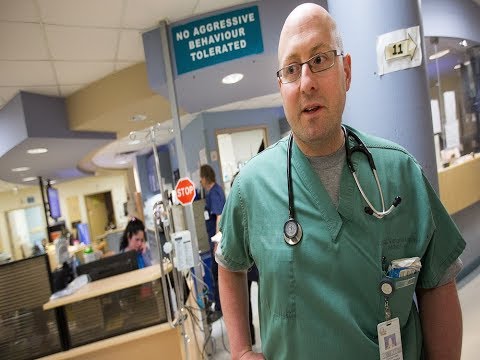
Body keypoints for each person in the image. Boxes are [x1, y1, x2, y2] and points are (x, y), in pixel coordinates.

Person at [216, 4, 465, 360]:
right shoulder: (251, 187)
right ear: (281, 86)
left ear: (346, 71)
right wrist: (240, 350)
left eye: (319, 60)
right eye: (291, 69)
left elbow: (438, 280)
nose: (306, 82)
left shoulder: (400, 172)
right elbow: (229, 264)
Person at [200, 164, 226, 322]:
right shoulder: (211, 193)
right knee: (216, 274)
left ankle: (220, 308)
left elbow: (219, 216)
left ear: (205, 177)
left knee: (217, 274)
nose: (200, 181)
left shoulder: (215, 192)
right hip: (214, 240)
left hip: (218, 241)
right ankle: (219, 306)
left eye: (201, 178)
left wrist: (217, 241)